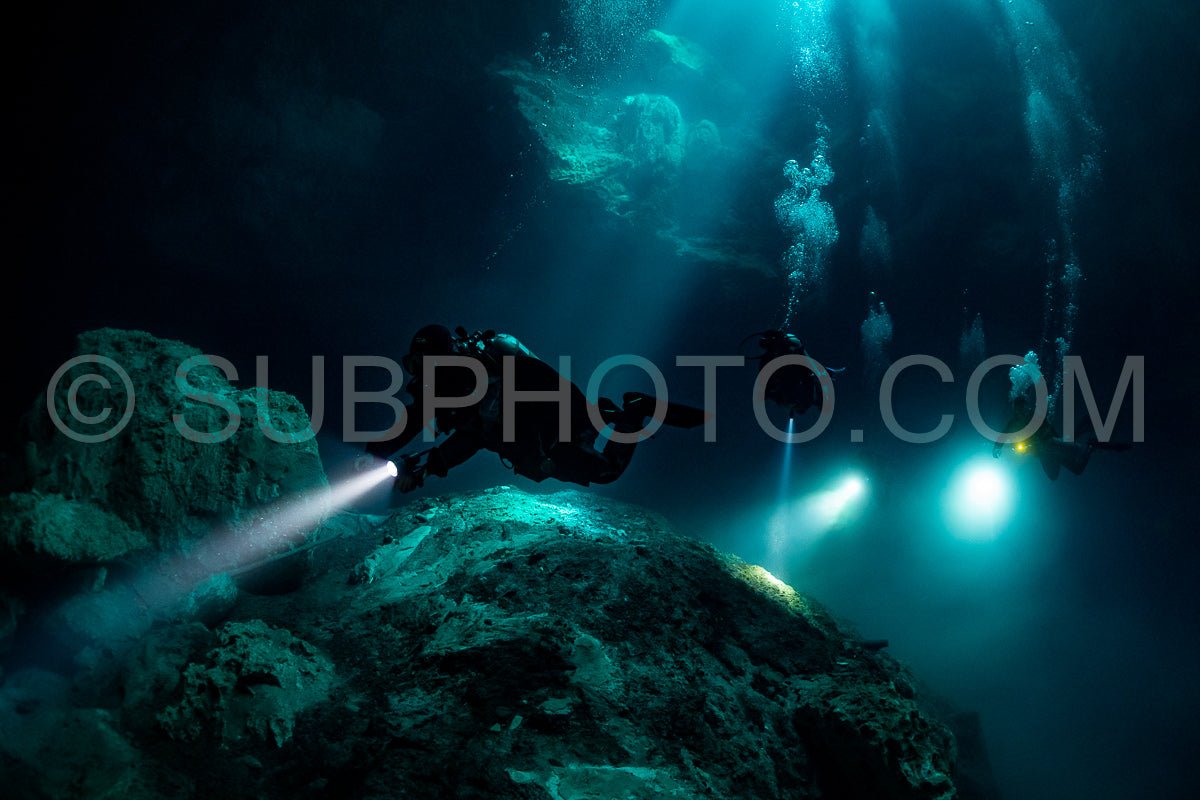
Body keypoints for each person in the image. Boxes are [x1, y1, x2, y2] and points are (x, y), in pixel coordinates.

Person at [363, 325, 707, 492]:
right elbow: (417, 423)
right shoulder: (445, 390)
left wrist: (430, 464)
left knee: (606, 472)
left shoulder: (488, 375)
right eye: (416, 364)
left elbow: (486, 428)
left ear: (449, 355)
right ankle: (620, 413)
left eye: (428, 361)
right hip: (541, 435)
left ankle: (637, 408)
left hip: (556, 428)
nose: (424, 371)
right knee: (597, 464)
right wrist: (375, 457)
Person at [991, 353, 1129, 480]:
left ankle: (1091, 444)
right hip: (1043, 453)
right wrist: (997, 447)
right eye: (1018, 412)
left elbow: (1047, 430)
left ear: (1026, 409)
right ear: (1015, 411)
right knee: (1058, 475)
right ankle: (1089, 445)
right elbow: (1004, 435)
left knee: (1076, 462)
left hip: (1052, 444)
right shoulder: (1013, 422)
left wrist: (1045, 442)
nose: (1021, 414)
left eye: (1023, 411)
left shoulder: (1034, 417)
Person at [743, 329, 834, 419]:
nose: (776, 352)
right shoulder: (768, 361)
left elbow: (810, 366)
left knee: (808, 396)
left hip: (801, 384)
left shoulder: (793, 349)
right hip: (795, 388)